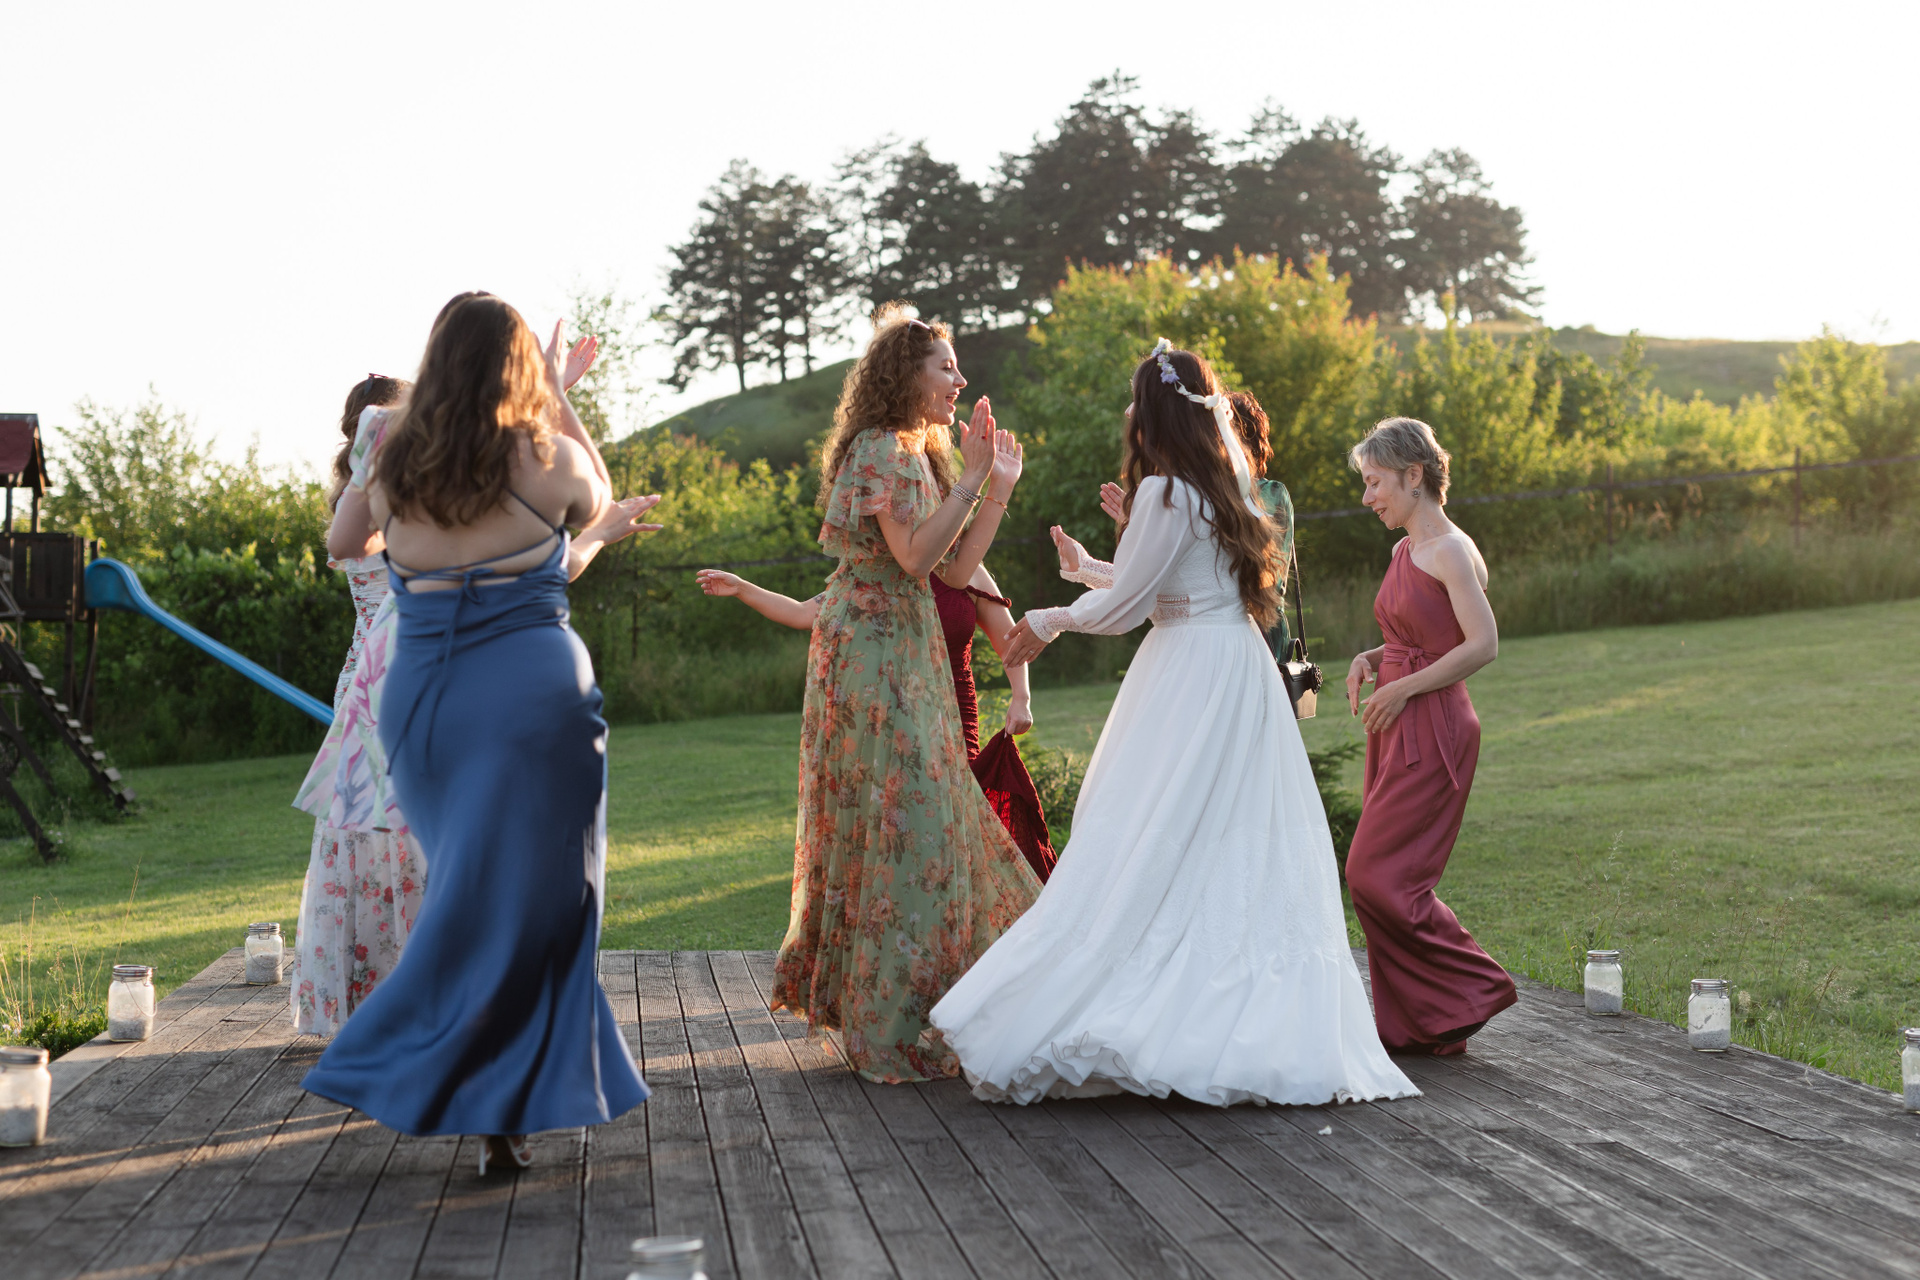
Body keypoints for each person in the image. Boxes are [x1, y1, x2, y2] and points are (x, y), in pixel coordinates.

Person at [929, 340, 1416, 1107]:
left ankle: (1142, 1008)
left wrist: (1051, 618)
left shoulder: (1163, 490)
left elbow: (1132, 609)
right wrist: (1088, 569)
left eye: (1133, 399)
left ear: (1153, 411)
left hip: (1190, 675)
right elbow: (1170, 585)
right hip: (1237, 672)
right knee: (1226, 842)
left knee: (1146, 833)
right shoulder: (1223, 485)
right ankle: (1231, 1014)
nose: (1127, 413)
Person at [302, 295, 659, 1173]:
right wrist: (559, 396)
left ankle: (459, 1077)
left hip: (426, 704)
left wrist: (382, 467)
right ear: (517, 371)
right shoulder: (546, 458)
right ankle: (506, 1096)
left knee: (466, 888)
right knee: (549, 898)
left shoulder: (396, 465)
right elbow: (598, 498)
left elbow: (345, 539)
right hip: (535, 695)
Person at [771, 306, 1041, 1083]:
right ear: (905, 376)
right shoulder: (878, 450)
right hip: (868, 659)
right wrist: (975, 478)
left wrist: (996, 488)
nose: (959, 379)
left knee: (927, 822)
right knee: (905, 823)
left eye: (957, 368)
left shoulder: (918, 454)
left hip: (909, 653)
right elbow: (917, 559)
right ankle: (888, 1013)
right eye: (944, 368)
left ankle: (934, 1000)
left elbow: (955, 572)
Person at [694, 564, 1056, 881]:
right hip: (894, 721)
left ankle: (973, 921)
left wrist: (1021, 698)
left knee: (962, 823)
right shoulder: (876, 568)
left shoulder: (967, 568)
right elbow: (803, 613)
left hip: (955, 719)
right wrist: (742, 588)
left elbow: (1011, 643)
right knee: (908, 828)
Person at [1341, 417, 1514, 1055]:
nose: (1368, 497)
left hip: (1434, 728)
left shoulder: (1448, 549)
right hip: (1397, 721)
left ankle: (1476, 986)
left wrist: (1403, 688)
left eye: (1375, 482)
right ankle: (1427, 1021)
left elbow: (1483, 644)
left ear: (1414, 475)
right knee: (1378, 876)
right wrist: (1369, 659)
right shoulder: (1404, 551)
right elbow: (1416, 638)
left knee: (1376, 876)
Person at [287, 374, 426, 1036]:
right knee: (379, 836)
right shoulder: (376, 496)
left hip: (392, 680)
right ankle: (383, 999)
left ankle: (407, 991)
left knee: (409, 834)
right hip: (383, 687)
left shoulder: (375, 493)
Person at [1067, 390, 1297, 656]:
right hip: (1205, 644)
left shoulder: (1268, 494)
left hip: (1258, 638)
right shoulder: (1192, 496)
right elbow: (1170, 586)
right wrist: (1139, 527)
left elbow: (1255, 582)